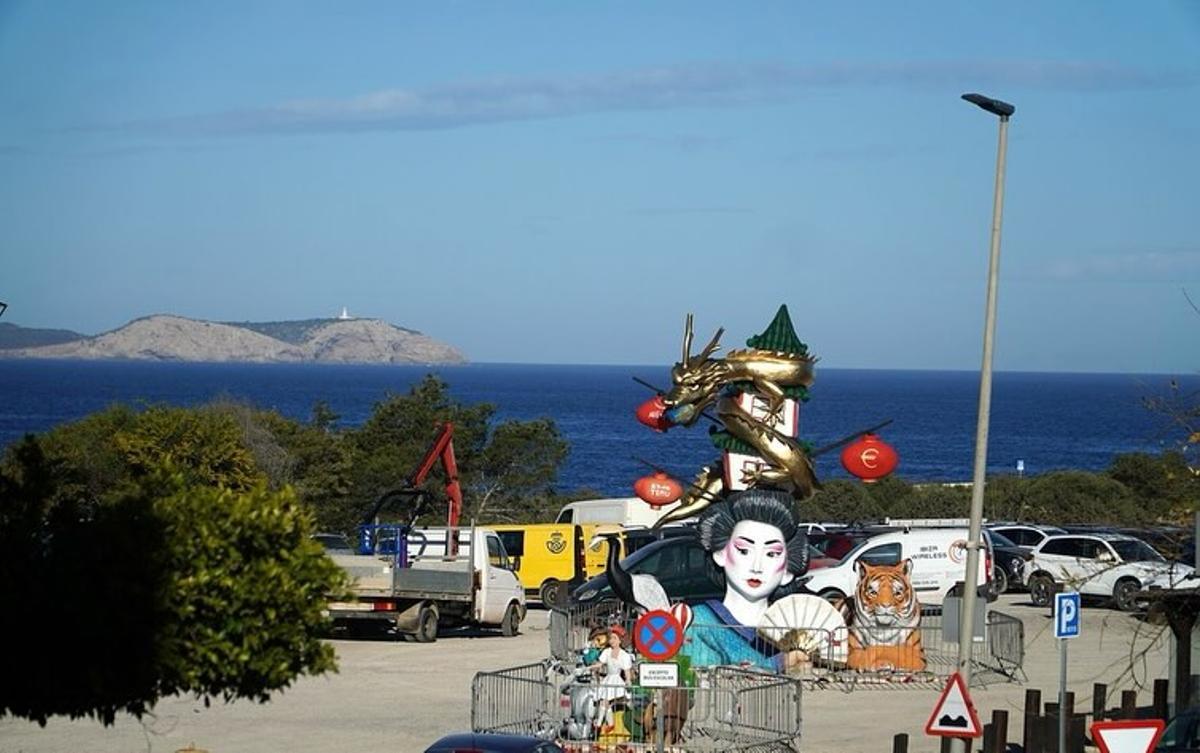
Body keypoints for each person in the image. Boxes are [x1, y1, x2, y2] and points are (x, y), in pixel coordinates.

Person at [684, 489, 810, 672]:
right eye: (744, 550)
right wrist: (779, 662)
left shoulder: (793, 629)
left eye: (772, 554)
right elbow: (704, 672)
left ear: (787, 570)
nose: (757, 566)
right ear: (720, 554)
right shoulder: (701, 621)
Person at [588, 625, 632, 731]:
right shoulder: (607, 652)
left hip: (616, 681)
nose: (611, 640)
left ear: (620, 641)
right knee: (605, 702)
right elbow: (600, 664)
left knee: (606, 702)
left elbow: (627, 671)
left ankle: (599, 725)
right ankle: (609, 724)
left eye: (614, 638)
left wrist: (628, 681)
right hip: (608, 679)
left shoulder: (624, 655)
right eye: (611, 638)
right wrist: (588, 668)